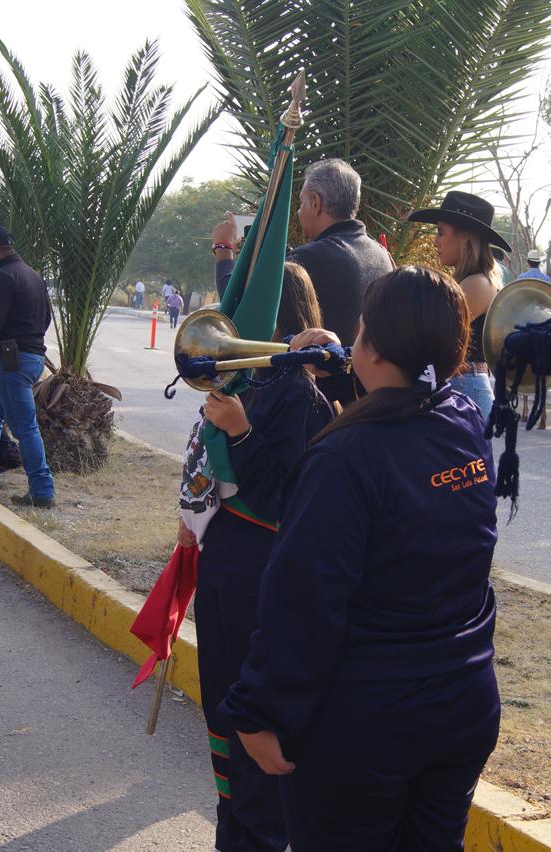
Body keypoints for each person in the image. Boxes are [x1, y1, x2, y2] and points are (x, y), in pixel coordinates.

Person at [220, 266, 500, 850]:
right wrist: (345, 374)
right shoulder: (463, 418)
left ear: (372, 346)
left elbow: (305, 598)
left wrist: (261, 708)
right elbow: (402, 418)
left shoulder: (344, 458)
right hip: (464, 700)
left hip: (369, 720)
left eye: (362, 329)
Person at [181, 262, 333, 852]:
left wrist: (241, 433)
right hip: (224, 564)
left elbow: (283, 499)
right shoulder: (248, 378)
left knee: (249, 710)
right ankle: (233, 828)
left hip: (258, 572)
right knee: (220, 705)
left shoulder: (297, 391)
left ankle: (256, 833)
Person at [214, 158, 394, 407]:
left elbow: (244, 313)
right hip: (360, 399)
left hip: (311, 405)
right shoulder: (381, 255)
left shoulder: (308, 258)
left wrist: (223, 249)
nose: (298, 212)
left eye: (301, 203)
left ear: (315, 203)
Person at [0, 227, 56, 507]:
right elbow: (46, 318)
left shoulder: (1, 278)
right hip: (31, 356)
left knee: (24, 428)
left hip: (11, 361)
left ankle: (42, 490)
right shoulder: (32, 275)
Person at [408, 191, 511, 414]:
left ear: (465, 236)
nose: (435, 241)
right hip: (458, 386)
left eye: (440, 232)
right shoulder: (468, 280)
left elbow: (436, 332)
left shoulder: (479, 283)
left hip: (465, 388)